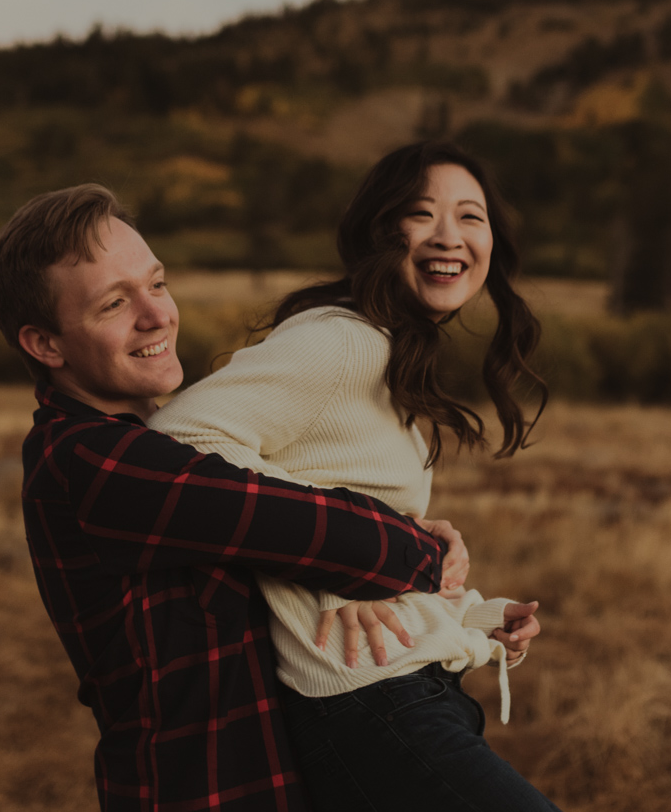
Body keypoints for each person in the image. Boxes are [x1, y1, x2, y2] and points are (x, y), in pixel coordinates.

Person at [0, 184, 473, 812]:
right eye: (113, 304)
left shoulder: (167, 441)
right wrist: (419, 549)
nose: (157, 315)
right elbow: (317, 532)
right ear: (45, 344)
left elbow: (307, 538)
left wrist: (357, 582)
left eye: (156, 284)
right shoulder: (93, 462)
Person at [151, 142, 560, 811]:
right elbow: (179, 439)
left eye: (471, 216)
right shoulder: (342, 340)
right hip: (367, 701)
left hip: (403, 691)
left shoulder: (389, 352)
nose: (450, 237)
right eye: (422, 214)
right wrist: (347, 553)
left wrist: (475, 615)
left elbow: (328, 502)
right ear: (379, 232)